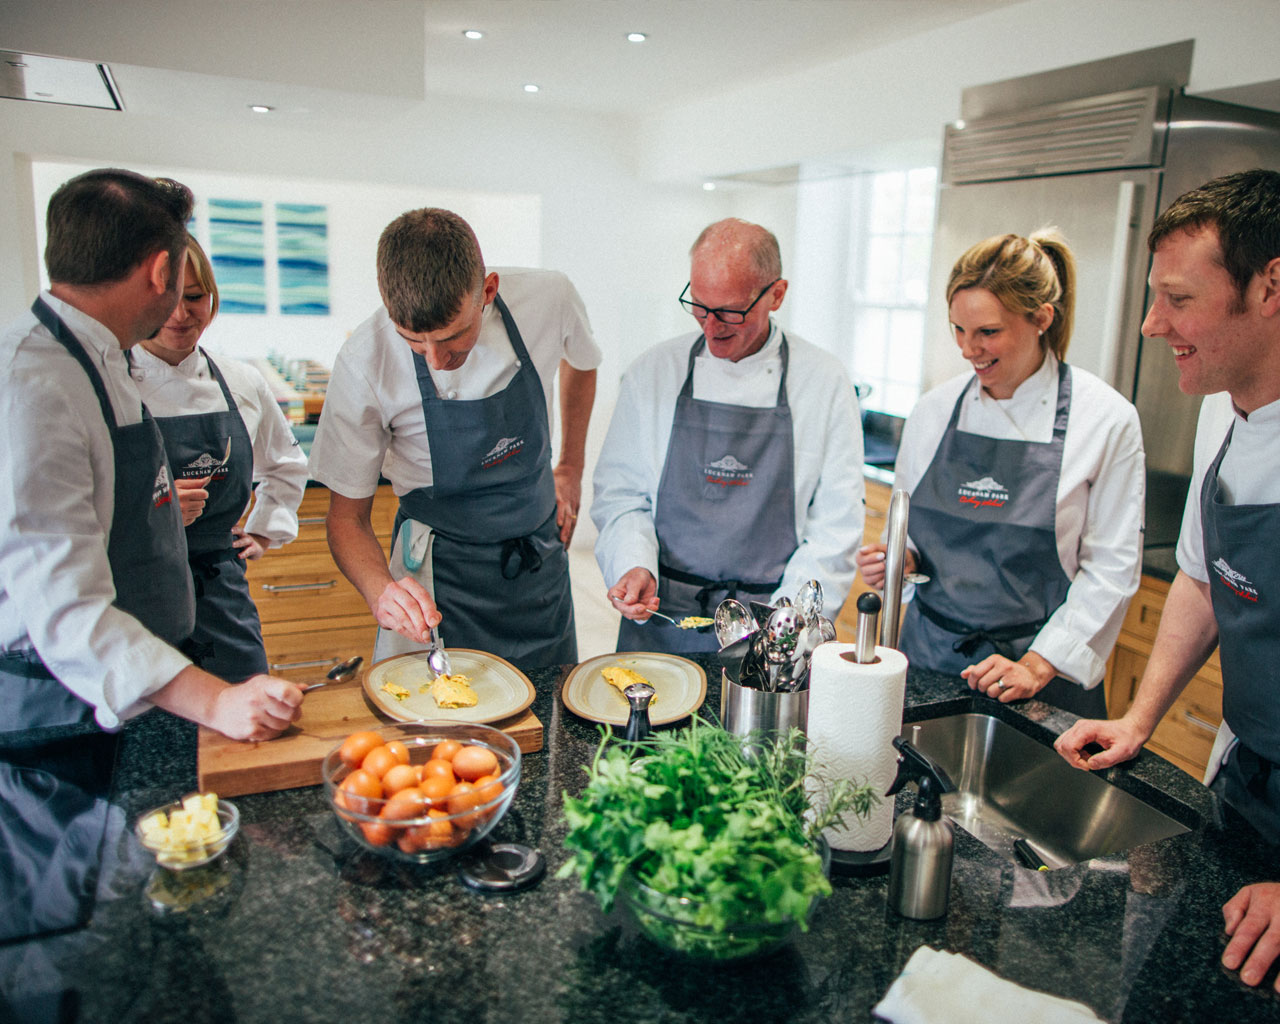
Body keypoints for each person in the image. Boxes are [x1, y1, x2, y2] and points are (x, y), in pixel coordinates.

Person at [1055, 169, 1280, 993]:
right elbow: (1199, 579)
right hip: (1246, 780)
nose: (1153, 324)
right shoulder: (1223, 409)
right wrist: (1139, 718)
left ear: (1271, 286)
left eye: (1178, 300)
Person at [0, 168, 303, 741]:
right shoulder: (32, 385)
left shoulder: (97, 360)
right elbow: (66, 609)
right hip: (65, 712)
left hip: (151, 662)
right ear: (161, 270)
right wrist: (215, 701)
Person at [857, 229, 1145, 717]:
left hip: (1038, 675)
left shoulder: (1105, 420)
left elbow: (1111, 569)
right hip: (930, 660)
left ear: (1041, 319)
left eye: (988, 332)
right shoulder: (933, 412)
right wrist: (901, 560)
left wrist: (1038, 664)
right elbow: (909, 533)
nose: (968, 349)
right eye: (959, 329)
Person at [308, 208, 600, 672]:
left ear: (488, 290)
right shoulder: (364, 361)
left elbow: (583, 363)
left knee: (552, 705)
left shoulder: (549, 297)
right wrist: (381, 592)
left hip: (538, 565)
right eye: (413, 341)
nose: (436, 360)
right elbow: (346, 520)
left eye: (453, 337)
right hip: (437, 581)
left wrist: (571, 467)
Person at [592, 218, 864, 654]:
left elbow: (836, 525)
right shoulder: (654, 371)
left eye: (731, 311)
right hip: (662, 620)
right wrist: (633, 563)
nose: (711, 326)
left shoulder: (824, 381)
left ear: (776, 294)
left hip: (770, 626)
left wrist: (786, 624)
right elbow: (620, 494)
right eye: (699, 306)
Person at [128, 235, 308, 681]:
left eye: (194, 297)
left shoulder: (241, 381)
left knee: (246, 705)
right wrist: (157, 507)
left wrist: (264, 531)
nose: (181, 314)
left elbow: (285, 464)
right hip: (136, 593)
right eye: (168, 300)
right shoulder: (111, 382)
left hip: (220, 590)